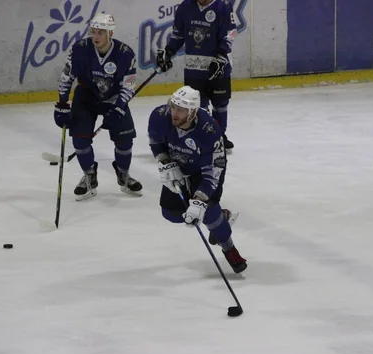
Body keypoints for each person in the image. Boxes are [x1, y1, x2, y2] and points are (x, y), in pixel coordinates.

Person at [148, 86, 247, 273]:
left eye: (180, 109)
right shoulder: (160, 115)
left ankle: (229, 248)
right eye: (173, 106)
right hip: (179, 165)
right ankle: (222, 215)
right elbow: (156, 142)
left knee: (208, 212)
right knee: (171, 214)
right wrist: (166, 162)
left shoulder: (210, 130)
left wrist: (200, 200)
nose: (174, 113)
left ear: (192, 112)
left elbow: (214, 169)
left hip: (205, 169)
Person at [53, 13, 142, 201]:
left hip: (114, 97)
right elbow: (67, 76)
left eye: (100, 32)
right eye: (93, 32)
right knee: (80, 140)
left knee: (125, 141)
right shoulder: (80, 49)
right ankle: (89, 176)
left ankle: (123, 174)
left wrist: (118, 108)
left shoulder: (126, 54)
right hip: (86, 95)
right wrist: (62, 104)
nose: (95, 36)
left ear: (110, 33)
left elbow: (128, 86)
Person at [155, 0, 238, 151]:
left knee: (220, 104)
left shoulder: (223, 7)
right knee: (198, 106)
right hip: (194, 67)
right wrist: (168, 52)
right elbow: (178, 35)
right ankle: (202, 136)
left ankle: (219, 136)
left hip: (218, 65)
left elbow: (229, 34)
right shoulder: (185, 7)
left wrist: (221, 56)